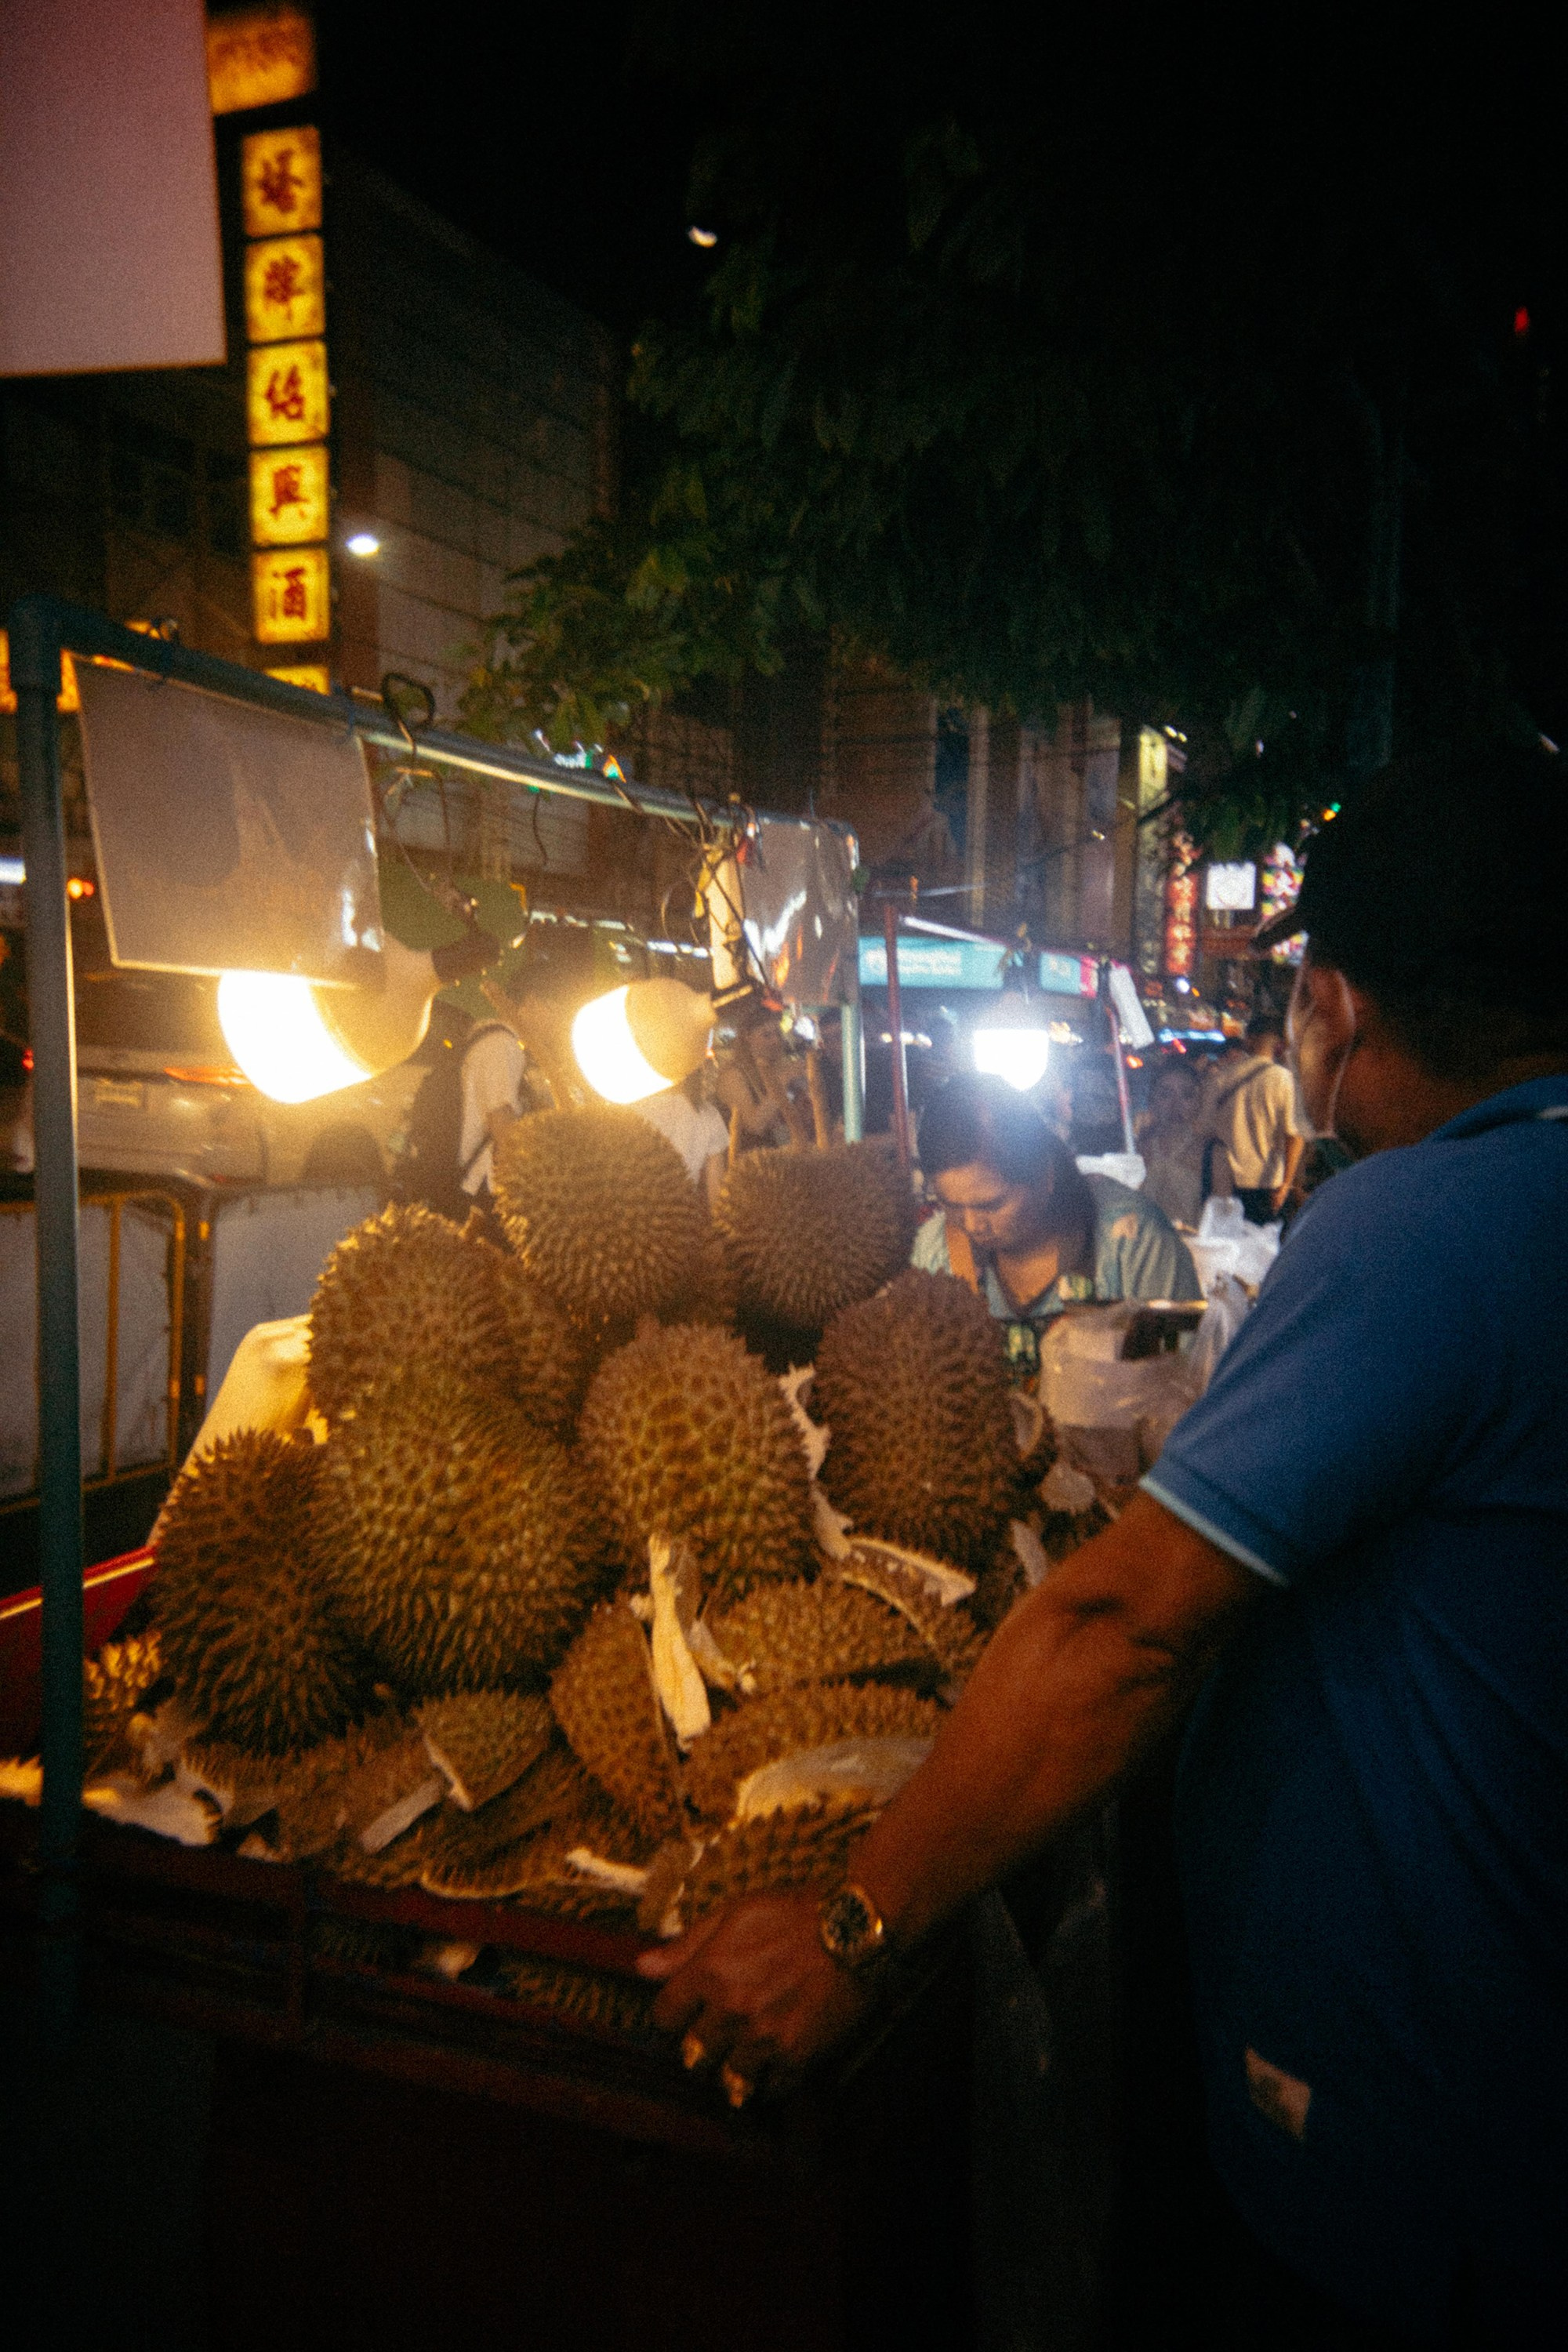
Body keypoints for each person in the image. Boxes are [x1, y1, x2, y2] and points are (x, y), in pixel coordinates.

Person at [639, 746, 1568, 2346]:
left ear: (1334, 1011)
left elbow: (1121, 1629)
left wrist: (857, 1924)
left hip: (1417, 2164)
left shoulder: (1430, 1221)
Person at [909, 1073, 1200, 1377]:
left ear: (1045, 1175)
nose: (971, 1224)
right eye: (952, 1206)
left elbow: (1184, 1377)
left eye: (992, 1204)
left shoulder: (1131, 1242)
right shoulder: (935, 1253)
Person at [1200, 1012, 1304, 1222]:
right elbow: (1295, 1136)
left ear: (1248, 1039)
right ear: (1280, 1044)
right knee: (1263, 1248)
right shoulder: (1285, 1081)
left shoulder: (1221, 1078)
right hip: (1267, 1186)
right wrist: (1286, 1185)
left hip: (1224, 1184)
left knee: (1227, 1247)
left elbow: (1204, 1130)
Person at [633, 1066, 730, 1207]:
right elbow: (717, 1196)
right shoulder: (708, 1115)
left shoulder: (629, 1109)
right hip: (680, 1216)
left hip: (635, 1213)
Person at [1138, 1054, 1209, 1229]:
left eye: (1187, 1095)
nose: (1175, 1105)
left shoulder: (1213, 1155)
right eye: (1165, 1094)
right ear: (1152, 1100)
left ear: (1198, 1102)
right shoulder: (1137, 1151)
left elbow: (1222, 1224)